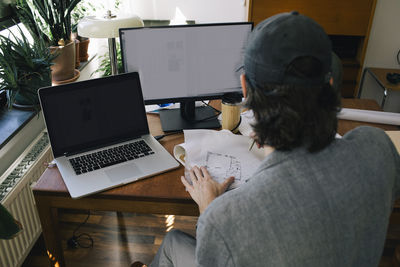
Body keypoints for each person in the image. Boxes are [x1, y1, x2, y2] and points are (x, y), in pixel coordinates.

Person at [133, 11, 400, 267]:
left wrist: (209, 208)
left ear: (245, 88)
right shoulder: (378, 148)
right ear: (329, 86)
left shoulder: (224, 220)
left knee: (173, 242)